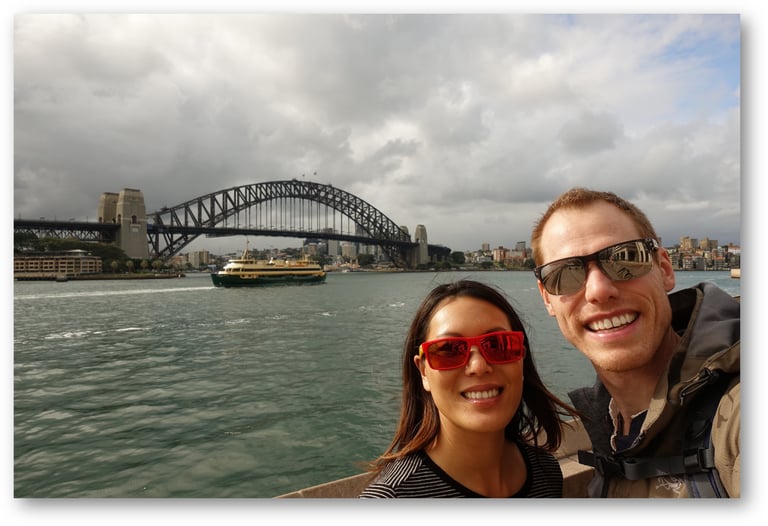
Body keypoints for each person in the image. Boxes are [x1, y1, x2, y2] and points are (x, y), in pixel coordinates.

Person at [530, 187, 740, 498]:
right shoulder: (609, 430)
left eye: (624, 258)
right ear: (548, 299)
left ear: (665, 269)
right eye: (565, 273)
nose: (598, 290)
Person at [359, 279, 578, 498]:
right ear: (423, 372)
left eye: (498, 345)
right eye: (449, 350)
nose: (478, 366)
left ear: (521, 357)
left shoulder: (545, 472)